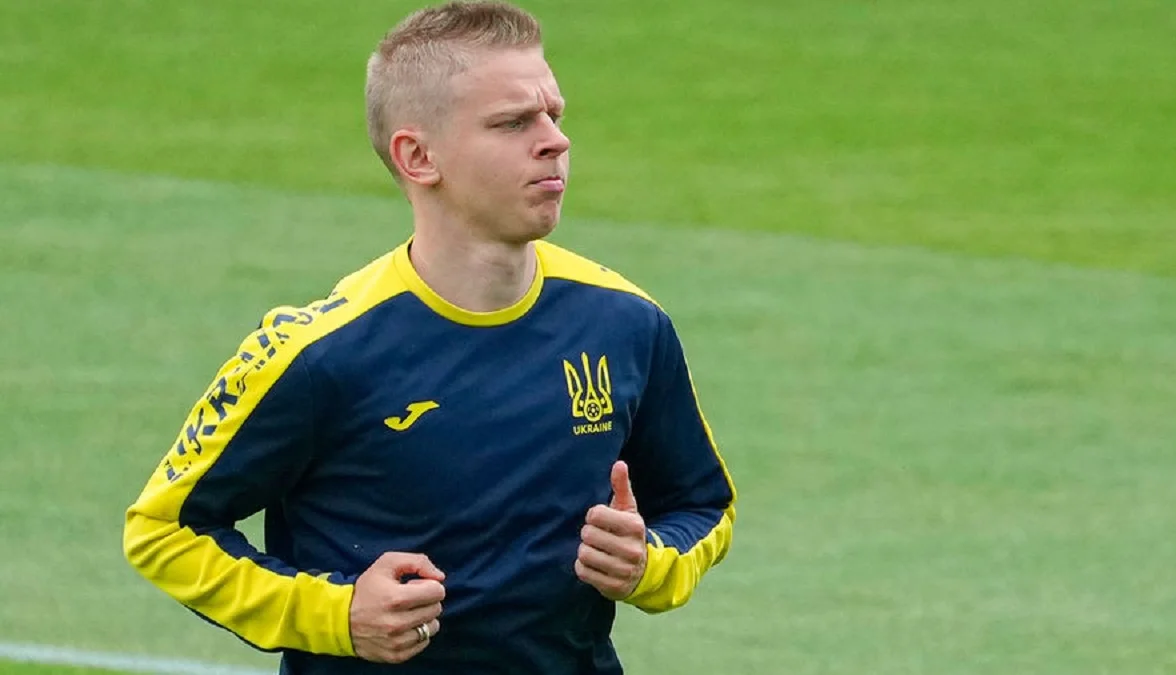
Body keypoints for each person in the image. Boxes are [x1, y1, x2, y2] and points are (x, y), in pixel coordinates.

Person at [122, 2, 737, 673]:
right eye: (513, 122)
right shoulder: (321, 354)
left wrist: (650, 562)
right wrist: (336, 613)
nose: (555, 141)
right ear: (418, 157)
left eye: (554, 115)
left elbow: (702, 503)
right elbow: (164, 531)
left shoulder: (627, 323)